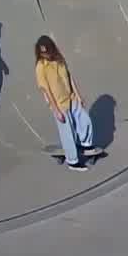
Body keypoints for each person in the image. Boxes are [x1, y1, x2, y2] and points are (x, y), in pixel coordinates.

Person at [34, 36, 94, 171]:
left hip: (71, 97)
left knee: (84, 120)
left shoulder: (59, 58)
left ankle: (85, 144)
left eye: (47, 51)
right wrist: (55, 110)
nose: (45, 54)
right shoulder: (40, 67)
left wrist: (78, 95)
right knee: (68, 132)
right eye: (42, 52)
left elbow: (69, 76)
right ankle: (72, 161)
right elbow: (46, 90)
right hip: (59, 103)